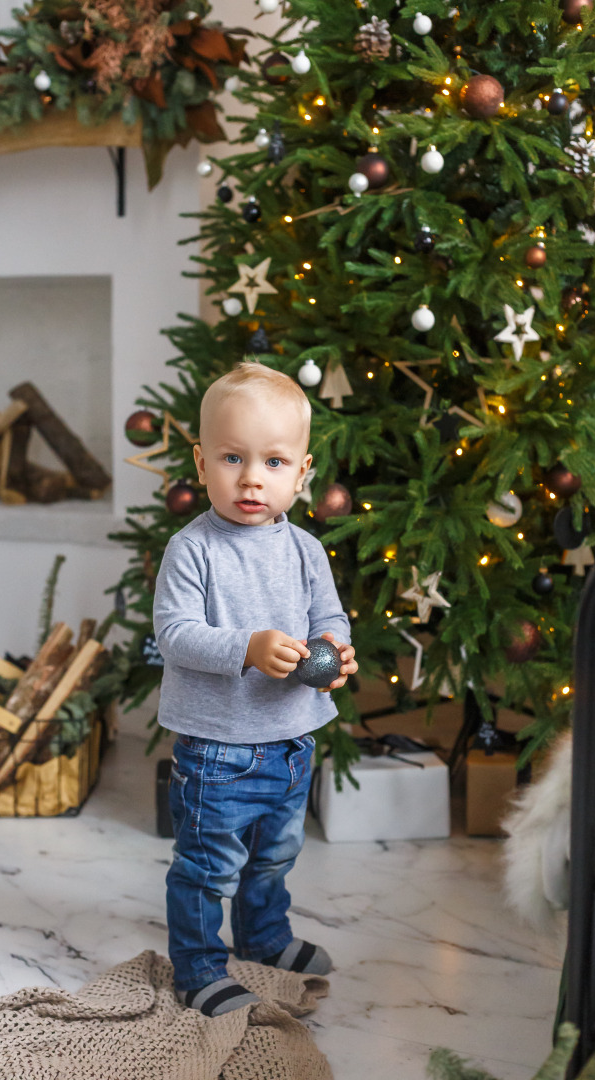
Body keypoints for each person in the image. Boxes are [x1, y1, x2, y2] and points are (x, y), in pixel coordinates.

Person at [153, 359, 358, 1017]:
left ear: (302, 474)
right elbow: (175, 633)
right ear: (202, 461)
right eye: (232, 458)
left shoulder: (305, 551)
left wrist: (337, 649)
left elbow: (328, 615)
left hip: (291, 740)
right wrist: (246, 647)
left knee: (272, 859)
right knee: (209, 868)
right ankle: (198, 968)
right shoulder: (194, 550)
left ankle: (264, 936)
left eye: (273, 462)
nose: (250, 478)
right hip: (219, 750)